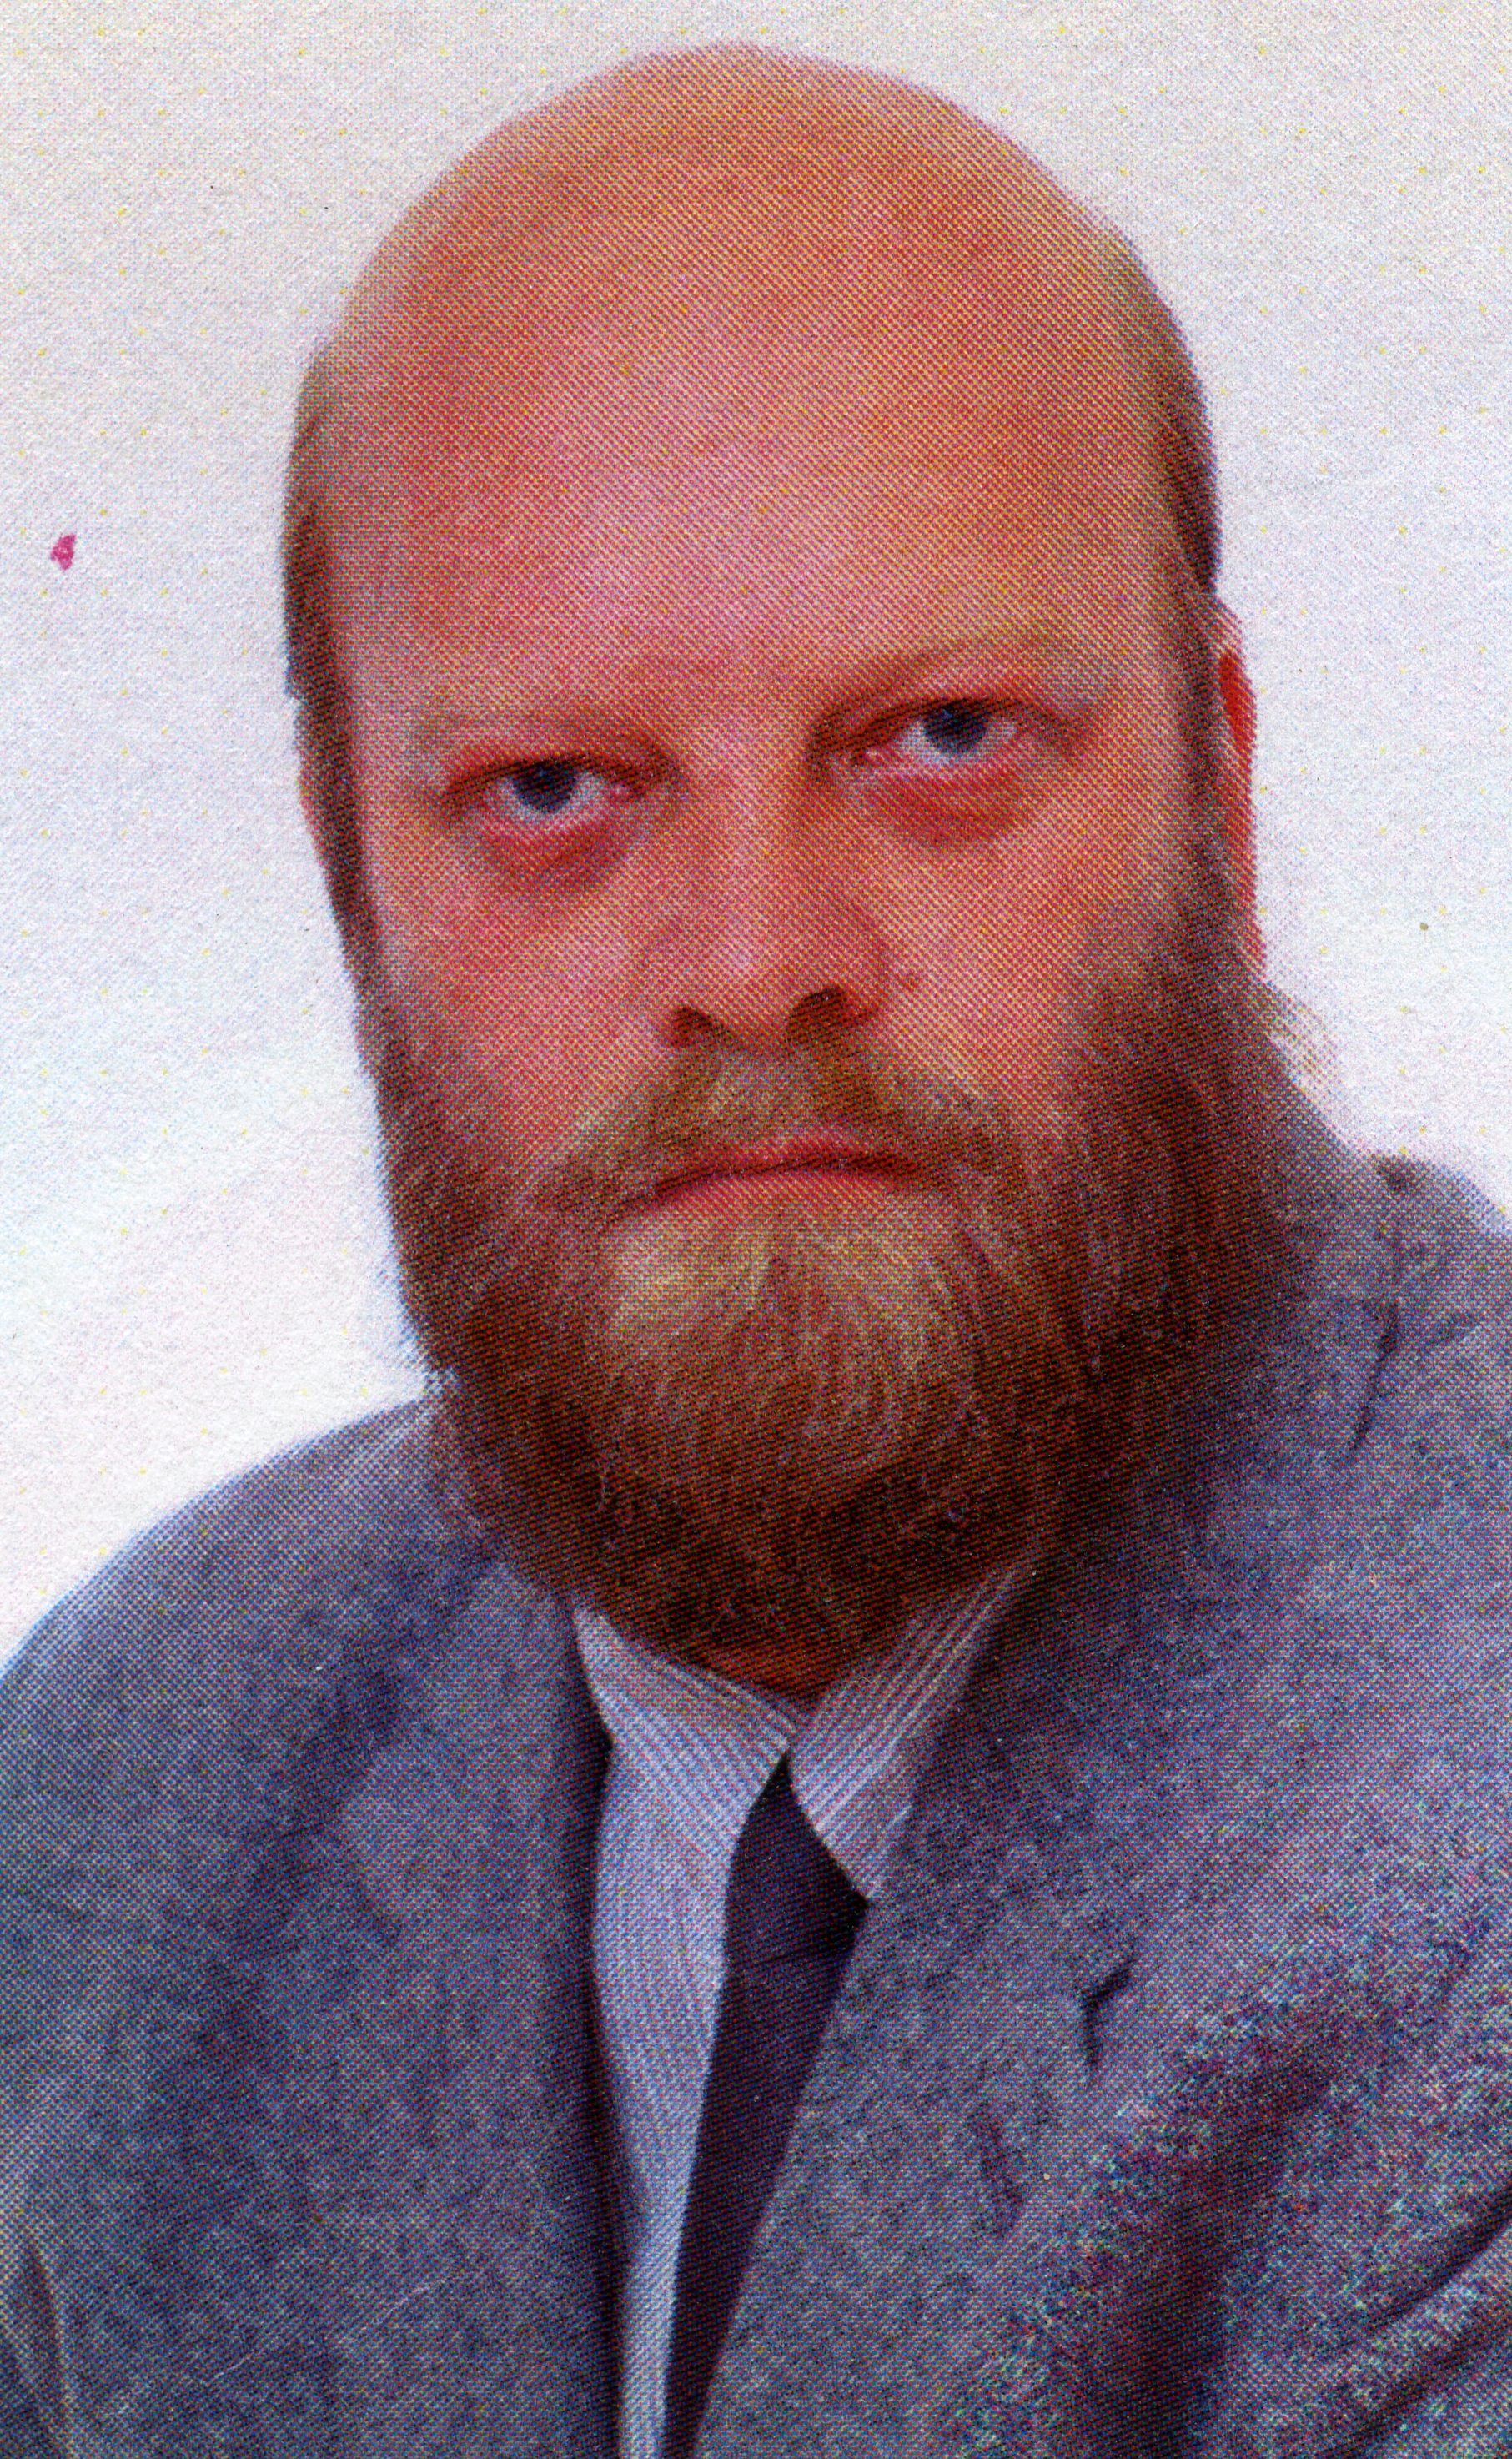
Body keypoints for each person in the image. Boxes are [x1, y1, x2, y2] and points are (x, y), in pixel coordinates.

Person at [3, 42, 1511, 2459]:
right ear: (350, 884)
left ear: (1222, 790)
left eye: (941, 739)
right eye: (553, 791)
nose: (758, 961)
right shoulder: (115, 1773)